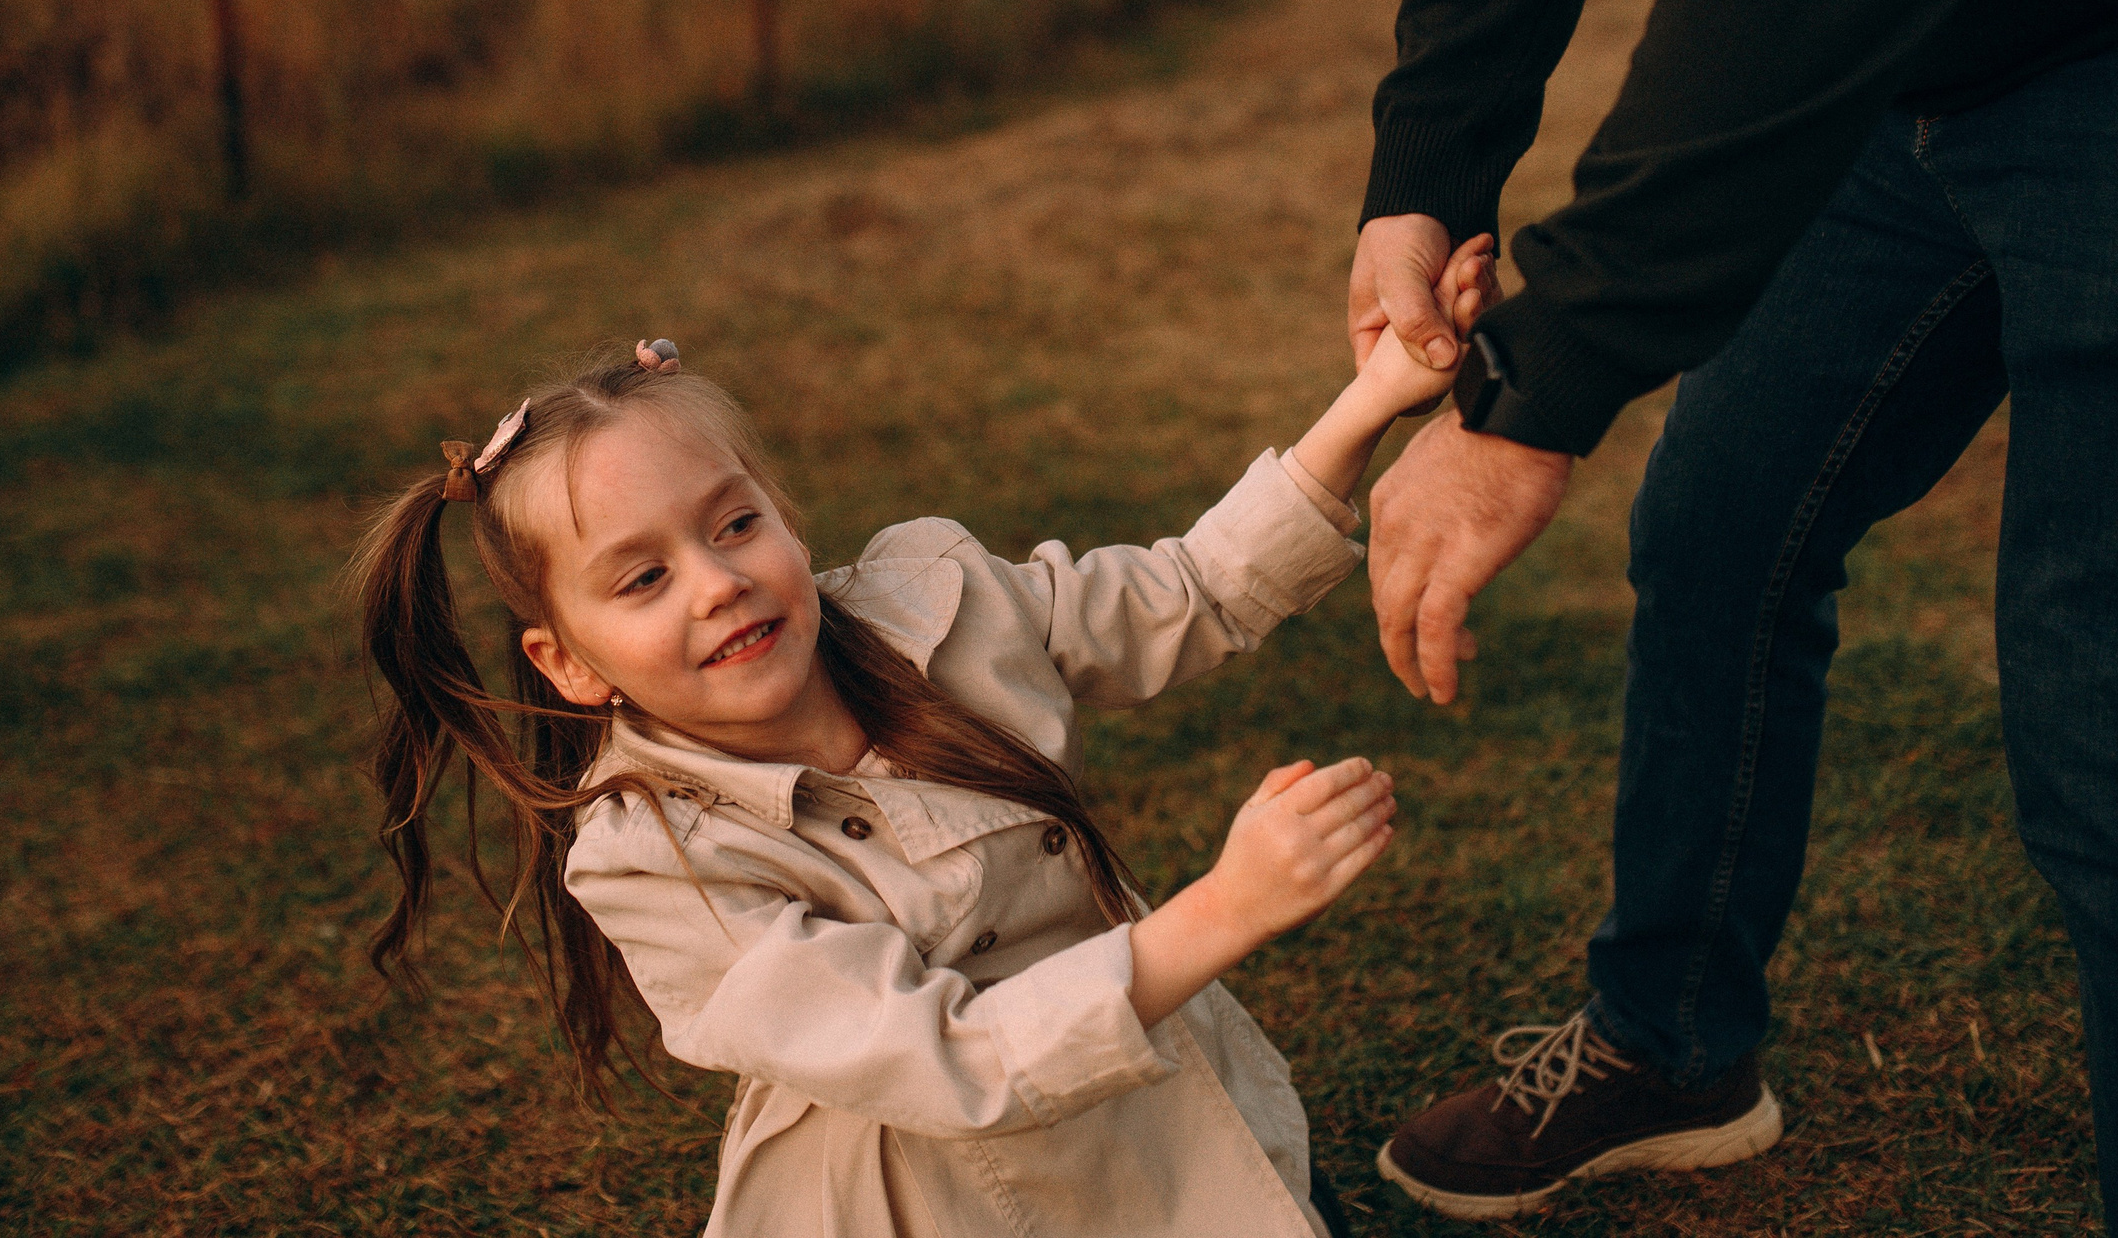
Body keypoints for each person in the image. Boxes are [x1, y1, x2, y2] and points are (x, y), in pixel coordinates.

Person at [1347, 0, 2118, 1230]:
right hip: (1900, 66)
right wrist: (1433, 163)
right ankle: (1673, 1040)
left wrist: (1539, 384)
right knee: (1720, 529)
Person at [344, 280, 1487, 1238]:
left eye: (733, 522)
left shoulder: (930, 602)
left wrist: (1375, 395)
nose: (717, 579)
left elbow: (1185, 588)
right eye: (642, 578)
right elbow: (948, 1056)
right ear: (570, 661)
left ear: (786, 519)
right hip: (939, 1196)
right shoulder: (652, 859)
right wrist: (1224, 909)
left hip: (1158, 1125)